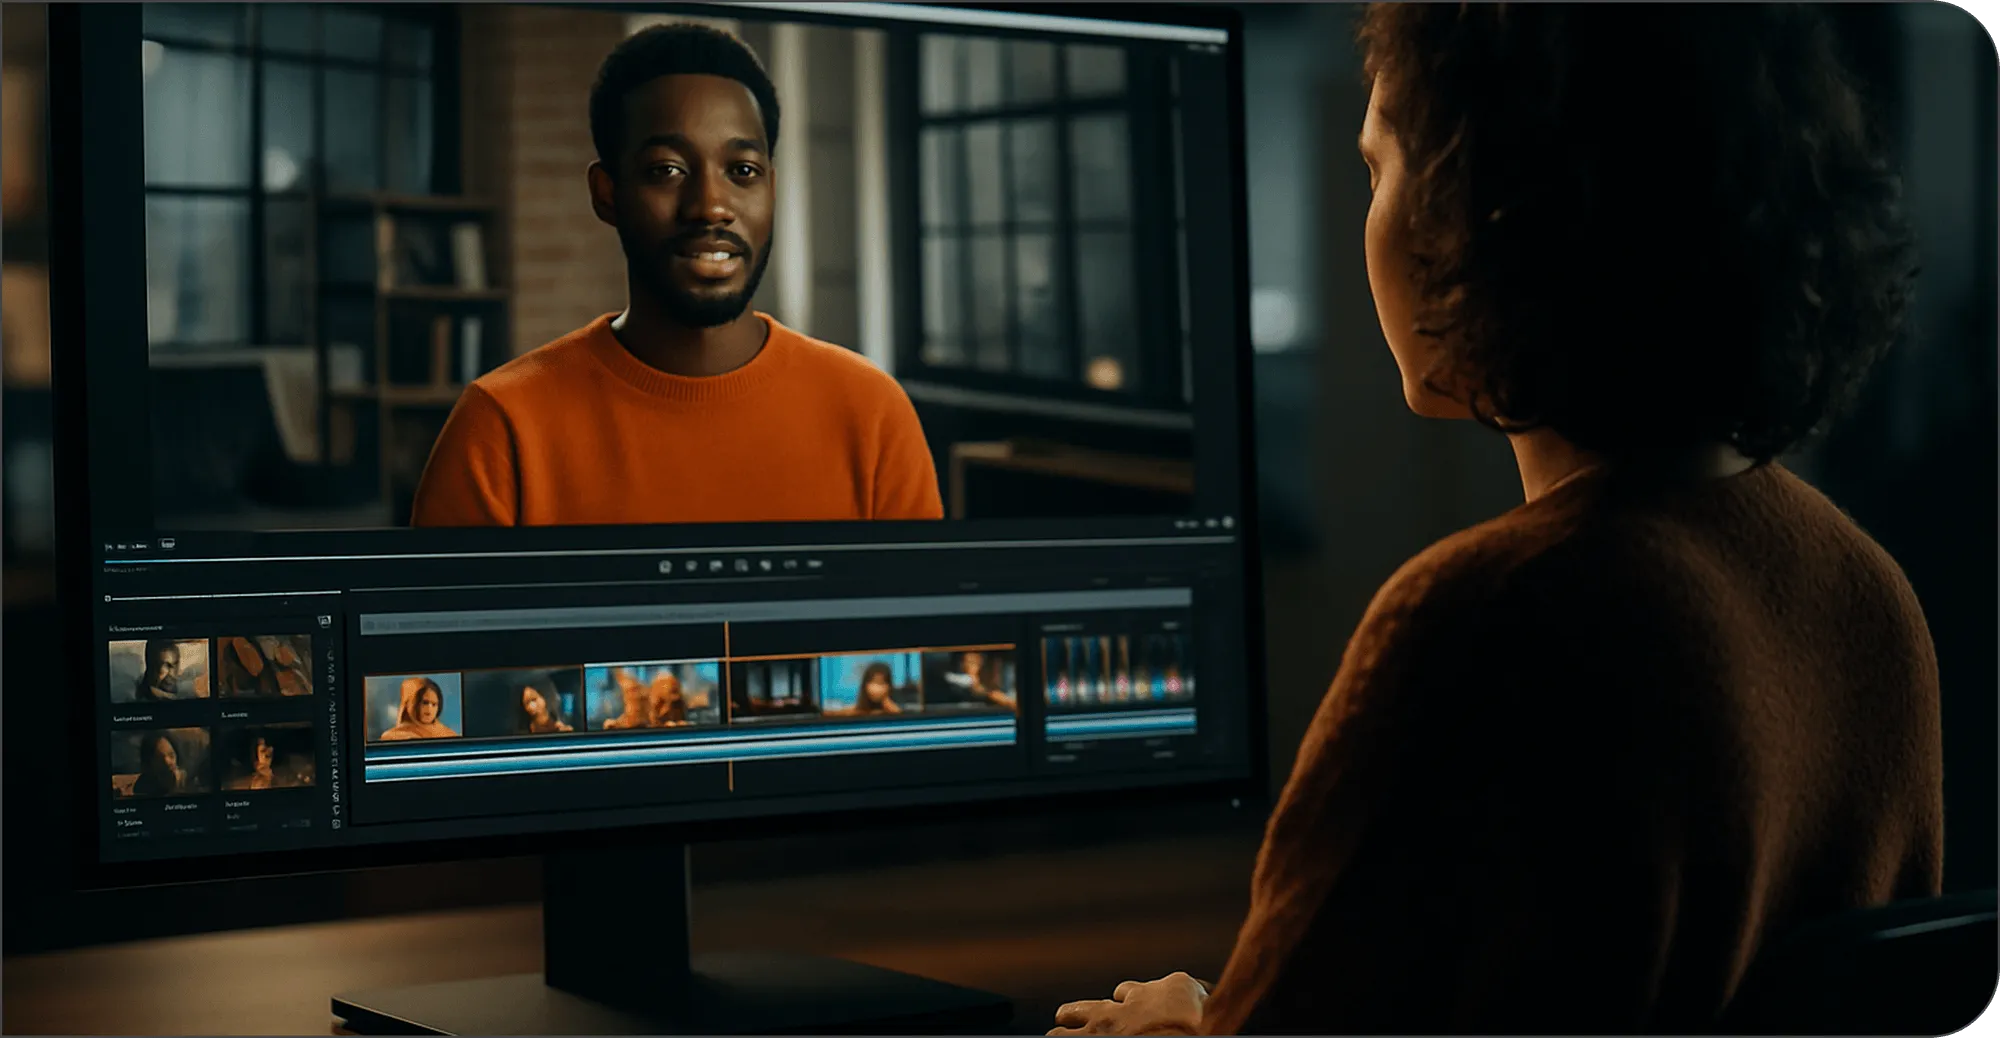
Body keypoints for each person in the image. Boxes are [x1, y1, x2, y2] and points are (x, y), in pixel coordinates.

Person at [1052, 5, 1938, 1034]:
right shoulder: (1867, 592)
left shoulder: (1494, 615)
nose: (1369, 219)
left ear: (1486, 214)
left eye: (1377, 171)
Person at [411, 23, 942, 528]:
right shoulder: (501, 427)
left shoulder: (872, 414)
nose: (711, 206)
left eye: (743, 172)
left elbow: (928, 625)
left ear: (772, 191)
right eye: (667, 170)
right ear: (607, 194)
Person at [380, 678, 460, 741]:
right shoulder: (394, 736)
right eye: (425, 703)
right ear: (411, 704)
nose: (429, 708)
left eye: (434, 704)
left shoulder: (448, 734)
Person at [131, 733, 185, 798]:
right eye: (159, 758)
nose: (168, 762)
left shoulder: (186, 781)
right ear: (148, 763)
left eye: (171, 755)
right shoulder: (143, 786)